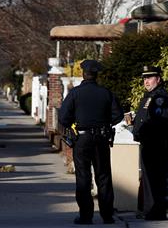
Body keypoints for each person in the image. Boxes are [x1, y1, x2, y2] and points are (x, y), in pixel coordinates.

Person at [59, 59, 123, 225]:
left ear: (83, 74)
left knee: (83, 177)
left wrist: (76, 121)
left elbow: (63, 118)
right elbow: (118, 115)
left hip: (82, 138)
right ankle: (107, 215)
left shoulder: (75, 93)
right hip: (101, 138)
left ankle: (86, 216)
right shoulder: (105, 93)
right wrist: (104, 122)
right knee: (103, 177)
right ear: (96, 75)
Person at [132, 66, 168, 220]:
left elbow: (158, 121)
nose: (146, 81)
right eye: (144, 78)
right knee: (149, 179)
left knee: (155, 179)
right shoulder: (150, 96)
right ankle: (150, 210)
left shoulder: (160, 97)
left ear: (158, 79)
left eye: (150, 78)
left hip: (156, 144)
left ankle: (154, 212)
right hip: (148, 143)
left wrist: (143, 131)